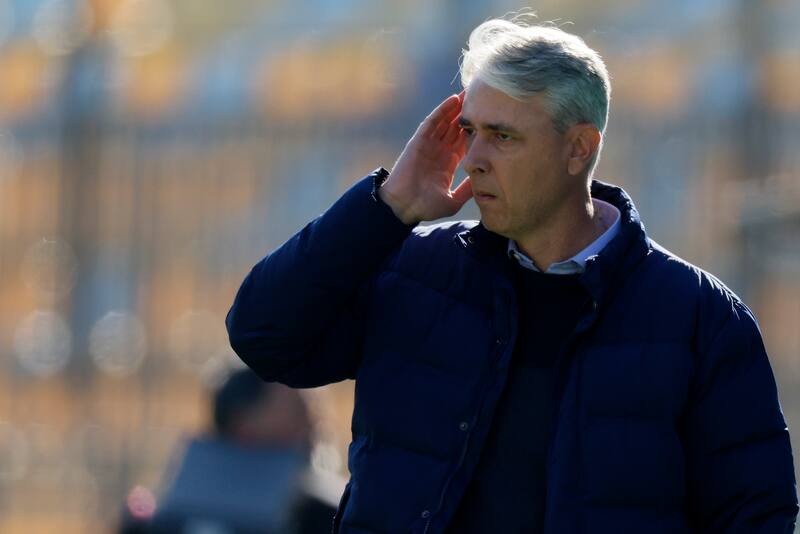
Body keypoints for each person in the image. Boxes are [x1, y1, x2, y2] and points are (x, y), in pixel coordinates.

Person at [226, 16, 798, 534]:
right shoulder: (413, 269)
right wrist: (387, 206)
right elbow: (265, 338)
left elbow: (755, 516)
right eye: (469, 131)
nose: (473, 157)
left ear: (579, 148)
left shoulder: (701, 318)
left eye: (503, 136)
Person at [147, 368, 339, 534]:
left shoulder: (159, 515)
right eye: (299, 412)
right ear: (242, 425)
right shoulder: (324, 517)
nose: (315, 425)